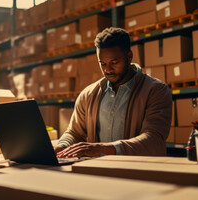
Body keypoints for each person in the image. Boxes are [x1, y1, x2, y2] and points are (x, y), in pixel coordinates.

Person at [55, 27, 172, 158]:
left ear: (129, 56)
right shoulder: (88, 95)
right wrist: (60, 148)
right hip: (97, 172)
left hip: (137, 173)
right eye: (102, 63)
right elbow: (74, 133)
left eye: (114, 62)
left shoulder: (156, 91)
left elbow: (153, 139)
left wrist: (104, 148)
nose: (108, 70)